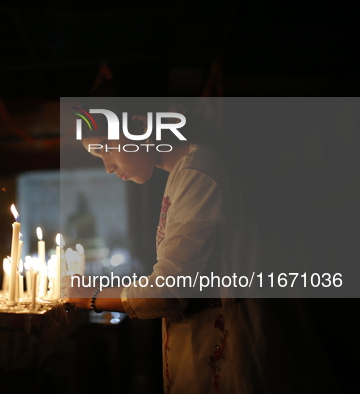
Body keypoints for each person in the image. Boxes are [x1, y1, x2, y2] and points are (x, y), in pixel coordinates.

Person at [63, 81, 329, 393]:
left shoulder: (197, 170)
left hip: (227, 346)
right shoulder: (184, 171)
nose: (107, 167)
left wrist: (91, 297)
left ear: (139, 126)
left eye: (106, 148)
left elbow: (169, 290)